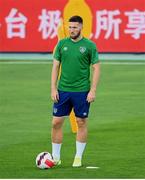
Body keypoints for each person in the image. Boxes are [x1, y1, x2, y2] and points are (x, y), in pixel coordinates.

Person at [51, 15, 100, 167]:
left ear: (81, 27)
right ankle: (55, 158)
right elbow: (55, 67)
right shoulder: (61, 44)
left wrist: (93, 90)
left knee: (81, 122)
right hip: (63, 90)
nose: (71, 30)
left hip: (82, 91)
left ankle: (78, 157)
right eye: (70, 27)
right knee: (56, 122)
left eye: (74, 27)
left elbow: (96, 68)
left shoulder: (90, 45)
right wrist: (53, 88)